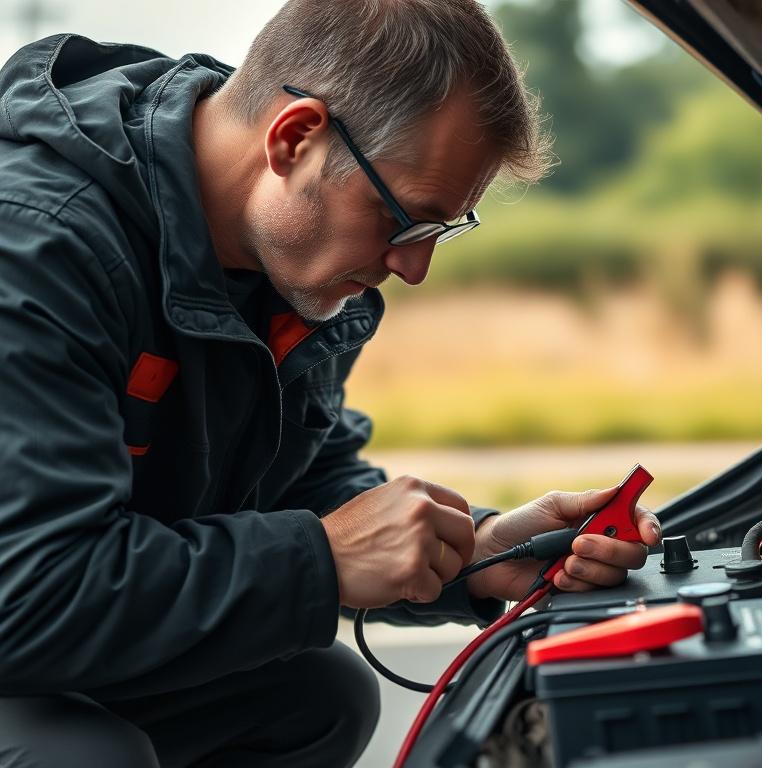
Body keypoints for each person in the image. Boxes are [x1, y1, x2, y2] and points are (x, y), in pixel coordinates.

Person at [0, 0, 662, 766]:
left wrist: (476, 551)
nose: (413, 269)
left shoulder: (284, 264)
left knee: (319, 700)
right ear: (294, 138)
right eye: (407, 222)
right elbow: (25, 595)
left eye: (441, 232)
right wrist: (317, 558)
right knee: (79, 756)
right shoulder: (38, 248)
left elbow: (297, 488)